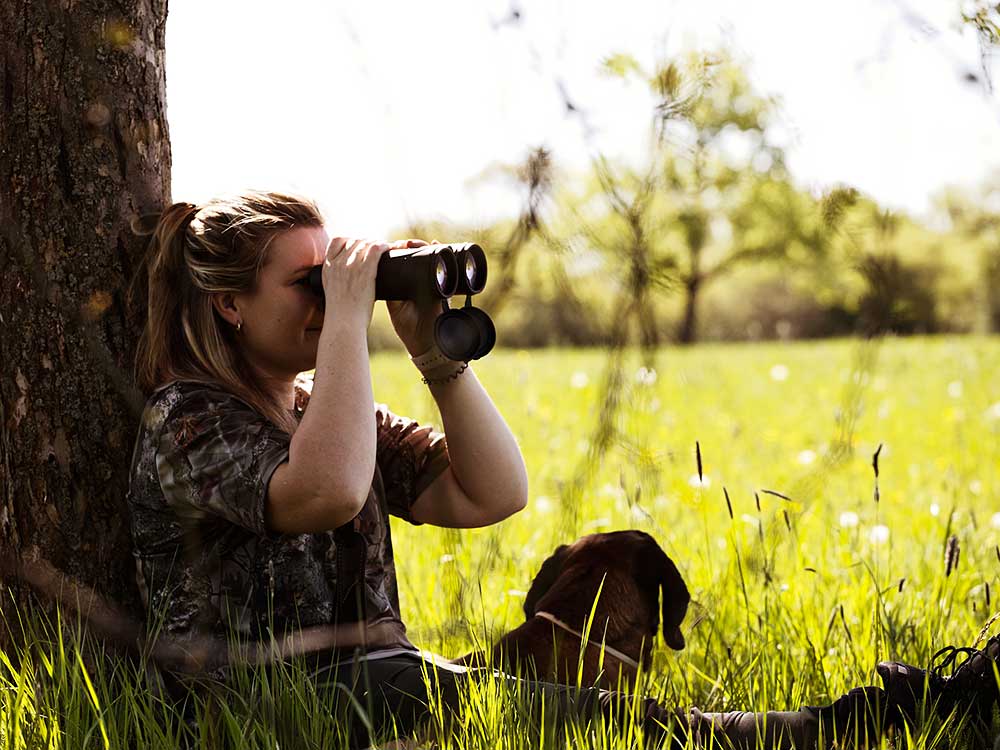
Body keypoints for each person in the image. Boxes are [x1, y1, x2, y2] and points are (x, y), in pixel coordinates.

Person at [125, 190, 999, 749]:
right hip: (255, 719)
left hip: (376, 691)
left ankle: (855, 717)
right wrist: (352, 321)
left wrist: (439, 362)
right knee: (496, 702)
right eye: (307, 286)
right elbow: (328, 491)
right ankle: (817, 729)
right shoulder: (189, 419)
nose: (328, 303)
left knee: (544, 663)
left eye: (334, 282)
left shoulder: (323, 412)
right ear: (230, 303)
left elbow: (493, 493)